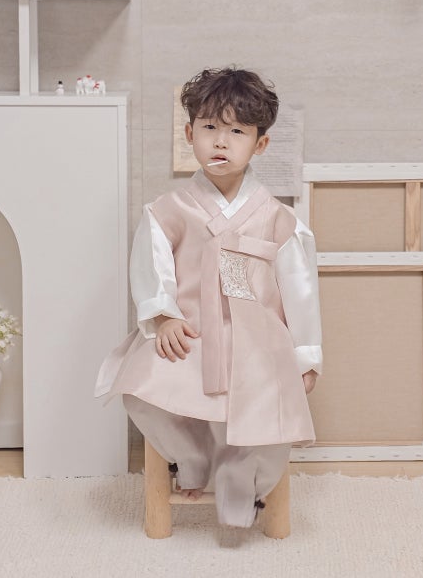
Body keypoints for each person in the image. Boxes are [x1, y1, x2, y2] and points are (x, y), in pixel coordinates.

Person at [95, 67, 322, 529]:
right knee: (141, 391)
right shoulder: (168, 211)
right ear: (189, 135)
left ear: (259, 144)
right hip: (192, 334)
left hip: (258, 344)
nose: (221, 141)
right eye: (210, 127)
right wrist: (164, 317)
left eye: (237, 131)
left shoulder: (279, 219)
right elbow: (153, 268)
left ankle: (243, 481)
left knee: (269, 415)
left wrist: (306, 354)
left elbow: (300, 289)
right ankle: (191, 457)